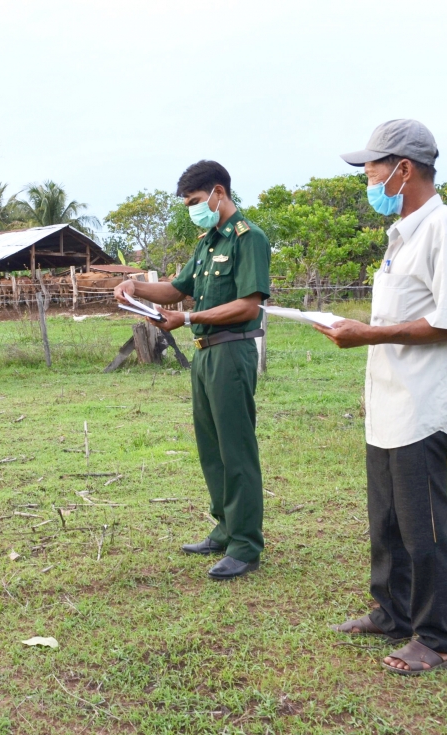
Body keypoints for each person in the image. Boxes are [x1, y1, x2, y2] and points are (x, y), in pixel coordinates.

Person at [321, 120, 447, 674]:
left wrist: (369, 333)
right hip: (390, 401)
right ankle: (390, 612)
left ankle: (435, 637)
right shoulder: (403, 235)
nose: (367, 180)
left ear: (404, 169)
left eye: (371, 170)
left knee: (425, 528)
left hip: (424, 405)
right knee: (386, 521)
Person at [114, 160, 271, 580]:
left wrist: (187, 319)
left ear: (219, 193)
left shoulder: (247, 239)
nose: (193, 209)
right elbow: (177, 289)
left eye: (196, 201)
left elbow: (249, 304)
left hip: (231, 352)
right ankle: (224, 528)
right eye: (188, 204)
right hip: (204, 355)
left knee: (236, 448)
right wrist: (135, 286)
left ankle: (245, 545)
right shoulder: (207, 243)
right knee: (212, 447)